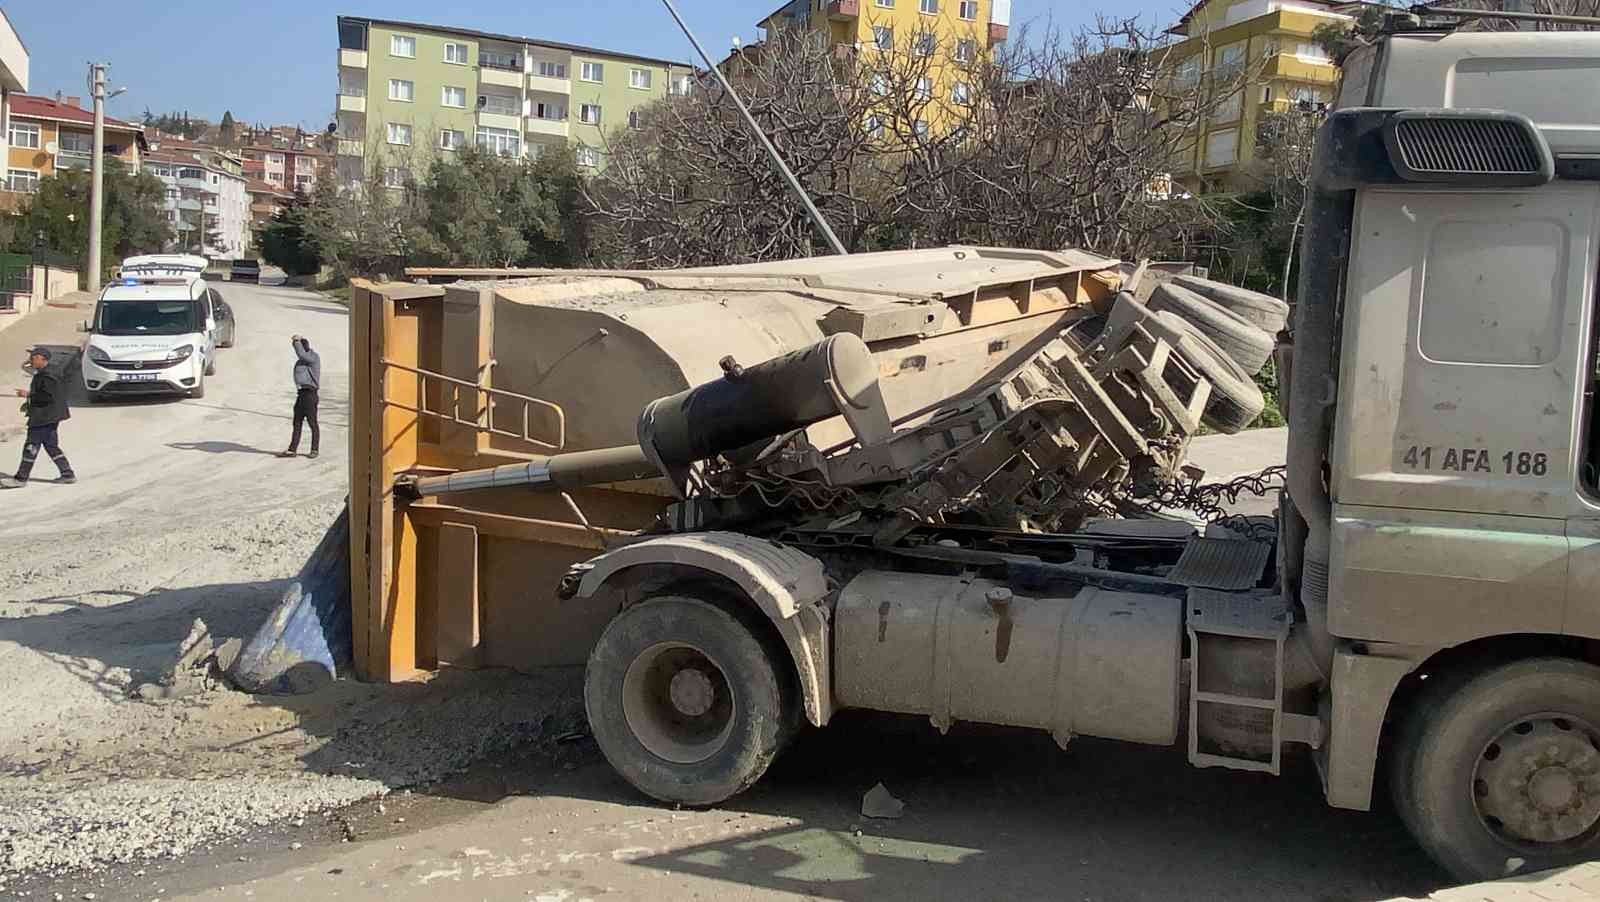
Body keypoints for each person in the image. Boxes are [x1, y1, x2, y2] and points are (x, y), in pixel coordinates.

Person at [3, 347, 76, 488]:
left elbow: (47, 397)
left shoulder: (47, 376)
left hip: (44, 417)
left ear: (41, 359)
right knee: (51, 446)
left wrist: (28, 395)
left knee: (31, 446)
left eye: (33, 357)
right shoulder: (50, 371)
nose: (30, 360)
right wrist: (26, 364)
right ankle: (68, 474)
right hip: (51, 416)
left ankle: (20, 479)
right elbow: (32, 372)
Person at [279, 335, 321, 460]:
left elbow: (302, 354)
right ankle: (292, 450)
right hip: (301, 394)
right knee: (297, 422)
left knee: (312, 423)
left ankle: (314, 449)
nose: (298, 350)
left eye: (299, 347)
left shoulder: (313, 357)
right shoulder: (301, 360)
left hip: (310, 394)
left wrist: (296, 341)